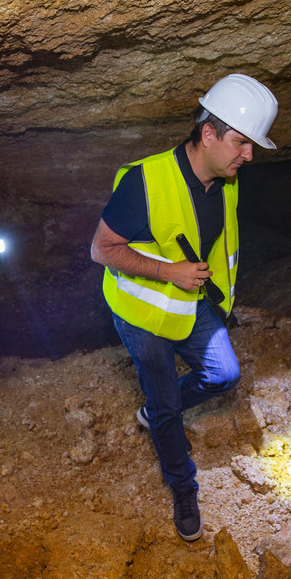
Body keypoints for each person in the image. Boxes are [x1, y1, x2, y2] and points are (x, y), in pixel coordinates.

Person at [90, 74, 278, 541]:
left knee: (224, 375)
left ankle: (157, 412)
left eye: (253, 145)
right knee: (166, 403)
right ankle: (182, 486)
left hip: (192, 302)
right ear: (208, 133)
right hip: (143, 311)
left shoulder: (227, 180)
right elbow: (101, 249)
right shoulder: (144, 182)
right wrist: (166, 272)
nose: (248, 155)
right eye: (242, 142)